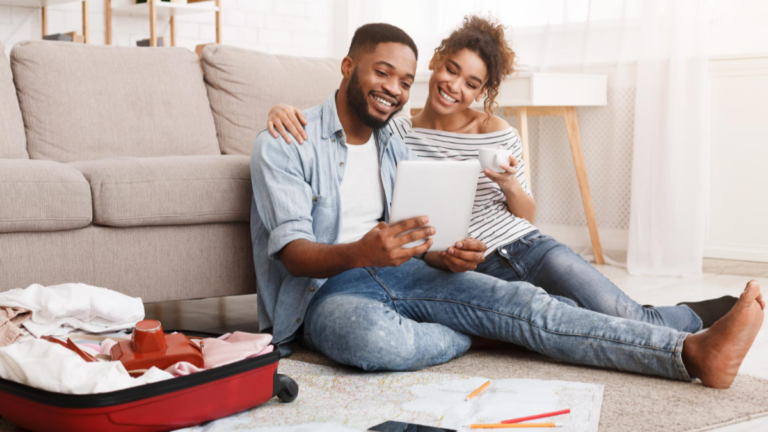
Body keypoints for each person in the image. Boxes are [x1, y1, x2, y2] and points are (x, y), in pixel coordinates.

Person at [250, 22, 764, 389]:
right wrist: (364, 252)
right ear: (348, 66)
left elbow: (413, 234)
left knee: (528, 305)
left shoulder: (394, 142)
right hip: (329, 291)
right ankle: (484, 331)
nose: (394, 90)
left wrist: (439, 256)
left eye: (404, 82)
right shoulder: (287, 140)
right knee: (372, 344)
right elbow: (293, 255)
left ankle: (691, 353)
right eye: (382, 73)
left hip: (407, 270)